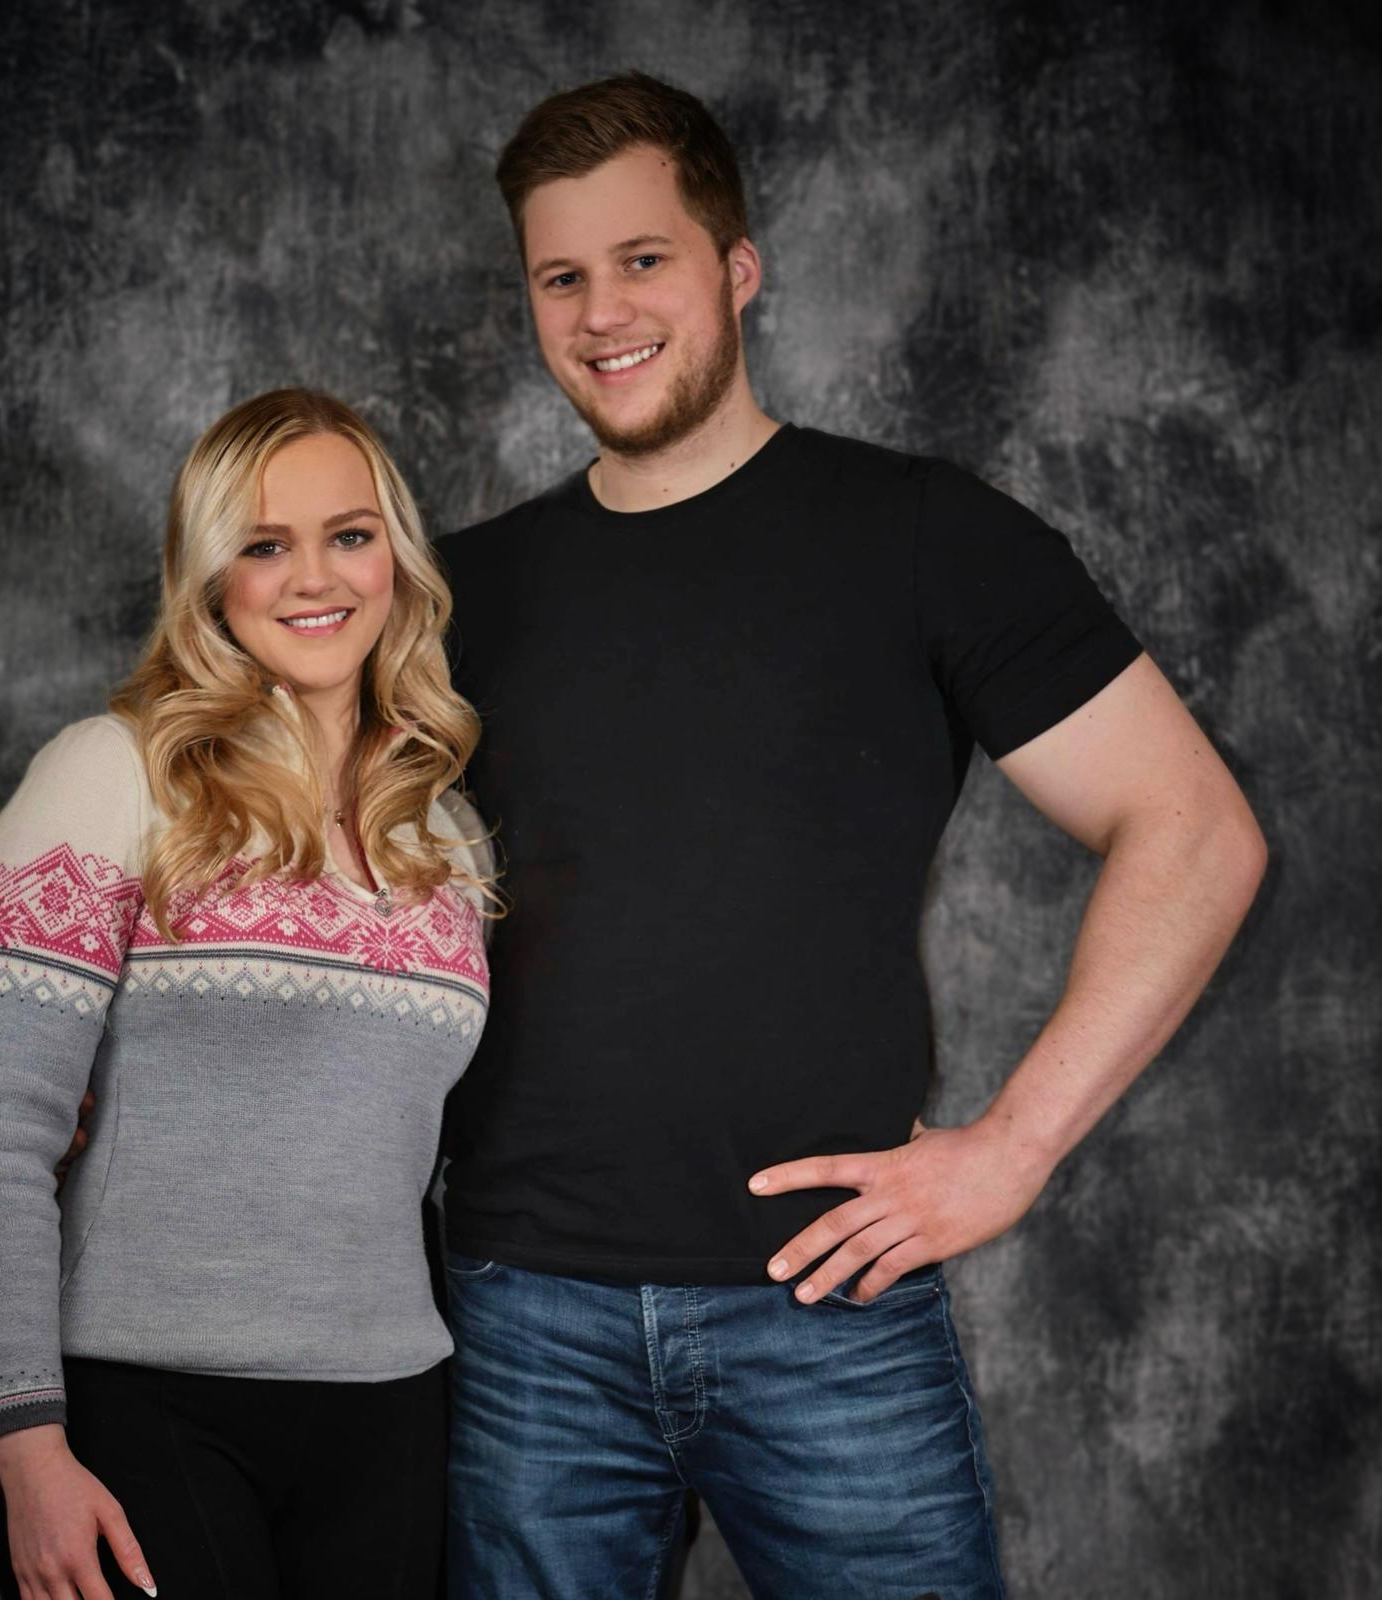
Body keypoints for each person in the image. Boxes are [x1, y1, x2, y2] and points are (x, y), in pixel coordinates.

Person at [437, 73, 1267, 1598]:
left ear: (737, 267)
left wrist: (1014, 1150)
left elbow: (1195, 829)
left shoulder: (922, 534)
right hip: (520, 1318)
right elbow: (271, 846)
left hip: (825, 1310)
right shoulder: (455, 595)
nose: (602, 310)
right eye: (561, 275)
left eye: (644, 259)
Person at [0, 388, 494, 1600]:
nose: (313, 578)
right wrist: (28, 1448)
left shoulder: (446, 837)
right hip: (139, 1411)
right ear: (206, 577)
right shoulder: (109, 776)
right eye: (261, 542)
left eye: (348, 534)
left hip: (391, 1417)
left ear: (394, 555)